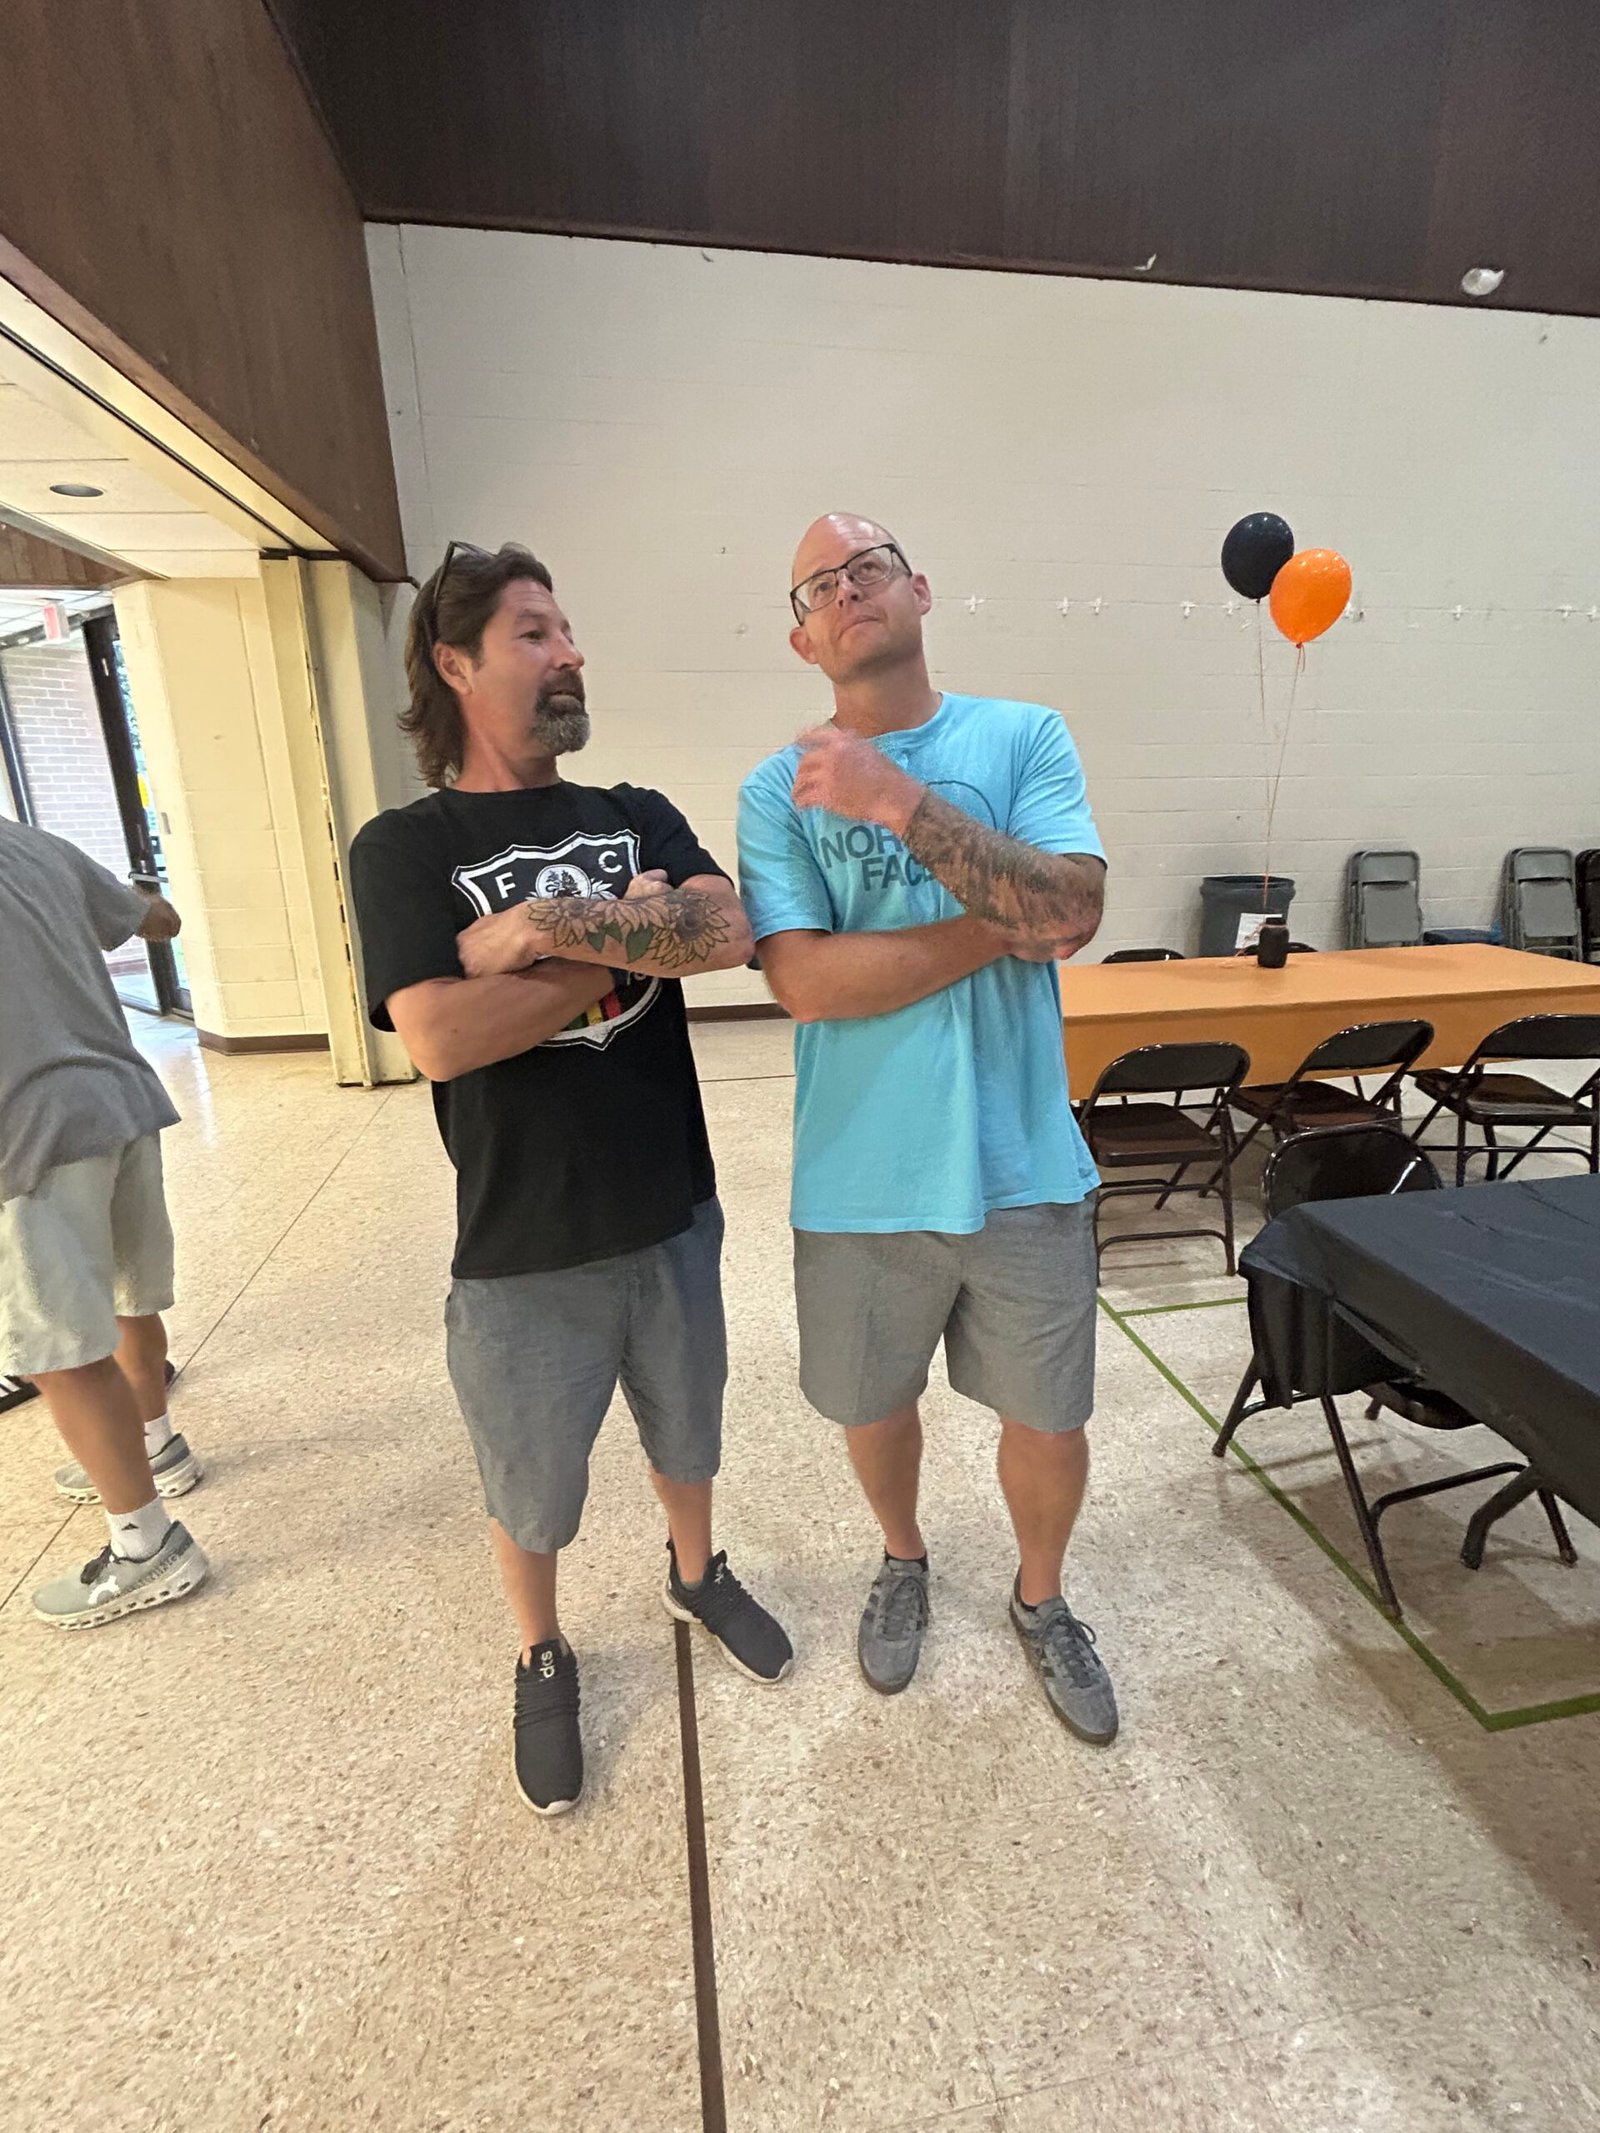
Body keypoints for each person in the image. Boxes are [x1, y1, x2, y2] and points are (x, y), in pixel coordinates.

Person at [349, 540, 793, 1819]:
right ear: (455, 664)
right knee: (531, 1481)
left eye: (567, 632)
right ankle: (542, 1648)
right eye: (535, 633)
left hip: (672, 1208)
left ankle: (695, 1574)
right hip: (520, 1239)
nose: (570, 654)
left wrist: (538, 931)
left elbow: (724, 931)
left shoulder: (631, 810)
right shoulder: (404, 846)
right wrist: (626, 942)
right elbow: (439, 1036)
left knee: (688, 1426)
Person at [736, 514, 1119, 1743]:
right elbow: (806, 984)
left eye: (870, 568)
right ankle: (902, 1557)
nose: (848, 590)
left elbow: (1075, 908)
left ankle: (1041, 1596)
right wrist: (1001, 924)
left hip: (1024, 1161)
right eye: (820, 586)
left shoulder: (1023, 736)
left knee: (1049, 1415)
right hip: (861, 1169)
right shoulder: (774, 788)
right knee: (872, 1401)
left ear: (919, 590)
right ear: (801, 639)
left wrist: (899, 804)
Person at [0, 816, 206, 1629]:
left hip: (22, 1133)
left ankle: (144, 1545)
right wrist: (131, 894)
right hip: (119, 1099)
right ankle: (153, 1443)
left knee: (61, 1353)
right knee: (126, 1295)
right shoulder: (30, 843)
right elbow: (161, 920)